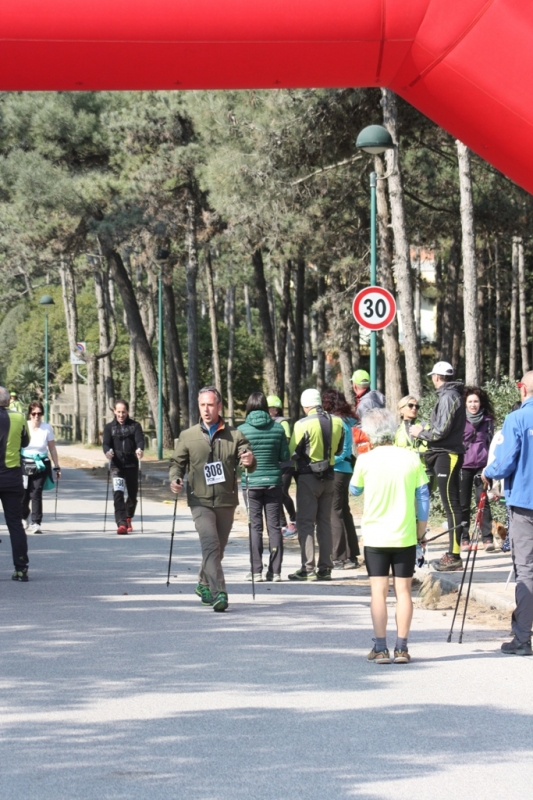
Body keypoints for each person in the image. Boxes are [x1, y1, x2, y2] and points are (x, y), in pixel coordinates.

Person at [350, 409, 430, 664]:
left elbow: (354, 490)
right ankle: (402, 648)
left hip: (375, 536)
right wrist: (421, 531)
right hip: (405, 534)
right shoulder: (411, 458)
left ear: (370, 433)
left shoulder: (365, 459)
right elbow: (423, 498)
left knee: (378, 593)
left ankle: (381, 648)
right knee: (404, 592)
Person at [169, 386, 255, 612]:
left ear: (219, 407)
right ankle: (220, 593)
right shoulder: (188, 436)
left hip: (226, 500)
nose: (206, 410)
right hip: (200, 501)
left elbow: (248, 458)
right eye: (202, 405)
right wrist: (175, 478)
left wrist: (248, 459)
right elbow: (177, 463)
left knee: (218, 550)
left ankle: (202, 583)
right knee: (210, 545)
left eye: (210, 405)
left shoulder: (235, 435)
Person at [483, 374, 533, 656]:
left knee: (526, 570)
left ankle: (523, 638)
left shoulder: (517, 419)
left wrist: (488, 473)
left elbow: (503, 462)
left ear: (522, 389)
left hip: (526, 503)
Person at [410, 361, 466, 572]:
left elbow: (441, 431)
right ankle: (453, 554)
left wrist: (420, 433)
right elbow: (442, 428)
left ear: (436, 377)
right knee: (450, 504)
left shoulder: (449, 397)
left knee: (452, 505)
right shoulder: (449, 396)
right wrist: (427, 428)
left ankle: (454, 556)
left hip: (448, 455)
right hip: (444, 453)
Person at [288, 388, 344, 581]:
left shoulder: (302, 424)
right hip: (330, 477)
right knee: (325, 523)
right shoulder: (338, 422)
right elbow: (337, 450)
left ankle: (308, 568)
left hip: (308, 477)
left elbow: (292, 452)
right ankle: (326, 567)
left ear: (305, 405)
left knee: (305, 523)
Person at [238, 392, 290, 581]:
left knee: (255, 527)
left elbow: (238, 459)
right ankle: (275, 571)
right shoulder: (278, 429)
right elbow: (285, 456)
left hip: (251, 484)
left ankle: (256, 570)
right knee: (274, 526)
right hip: (274, 482)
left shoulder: (242, 430)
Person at [321, 388, 360, 569]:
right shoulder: (348, 420)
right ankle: (351, 555)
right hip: (346, 470)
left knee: (334, 512)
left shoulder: (338, 422)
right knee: (344, 511)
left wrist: (327, 461)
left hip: (338, 469)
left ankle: (339, 556)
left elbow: (343, 451)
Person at [0, 386, 30, 581]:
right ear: (8, 401)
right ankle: (21, 568)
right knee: (15, 524)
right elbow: (25, 442)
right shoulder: (18, 417)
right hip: (11, 477)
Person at [459, 386, 495, 551]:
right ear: (465, 403)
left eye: (476, 401)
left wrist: (490, 466)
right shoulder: (459, 420)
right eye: (470, 401)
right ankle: (464, 538)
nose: (473, 405)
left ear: (481, 403)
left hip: (482, 466)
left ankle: (487, 538)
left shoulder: (487, 422)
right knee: (463, 503)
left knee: (482, 502)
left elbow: (492, 444)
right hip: (463, 466)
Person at [102, 400, 144, 535]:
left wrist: (139, 449)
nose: (121, 415)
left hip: (131, 464)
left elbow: (140, 441)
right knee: (118, 494)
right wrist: (108, 452)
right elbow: (106, 444)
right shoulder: (109, 427)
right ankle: (121, 523)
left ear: (127, 412)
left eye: (123, 412)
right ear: (114, 411)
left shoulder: (135, 426)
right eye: (119, 412)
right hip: (116, 466)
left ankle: (128, 516)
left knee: (132, 495)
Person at [21, 400, 61, 534]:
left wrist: (57, 466)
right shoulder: (24, 426)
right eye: (34, 414)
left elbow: (52, 449)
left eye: (39, 413)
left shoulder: (47, 428)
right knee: (24, 494)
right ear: (30, 414)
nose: (37, 416)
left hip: (41, 464)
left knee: (36, 492)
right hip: (25, 463)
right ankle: (23, 516)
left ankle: (36, 522)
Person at [267, 395, 297, 538]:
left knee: (283, 492)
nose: (267, 411)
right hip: (273, 463)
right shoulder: (267, 423)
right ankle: (282, 524)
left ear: (275, 410)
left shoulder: (282, 423)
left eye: (269, 408)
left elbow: (286, 441)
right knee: (275, 493)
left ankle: (294, 519)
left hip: (285, 464)